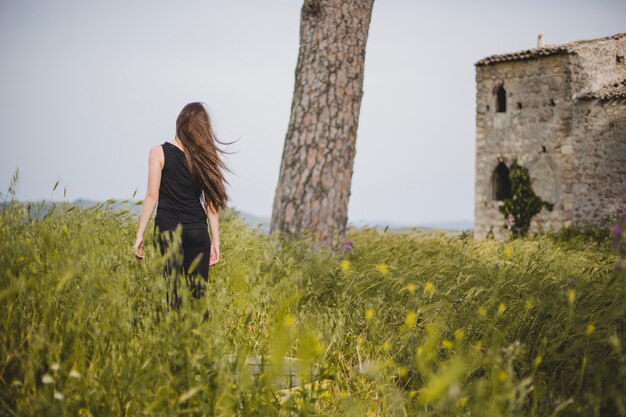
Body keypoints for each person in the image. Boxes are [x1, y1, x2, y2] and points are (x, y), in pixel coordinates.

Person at [133, 102, 229, 307]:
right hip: (197, 233)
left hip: (168, 230)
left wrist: (140, 234)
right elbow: (211, 204)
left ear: (179, 123)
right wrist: (216, 241)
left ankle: (173, 337)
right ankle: (198, 339)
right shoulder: (203, 158)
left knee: (171, 296)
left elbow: (152, 195)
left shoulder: (158, 152)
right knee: (198, 300)